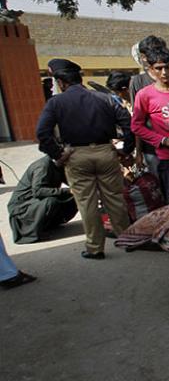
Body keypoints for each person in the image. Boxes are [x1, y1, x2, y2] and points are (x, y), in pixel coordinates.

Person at [35, 58, 134, 260]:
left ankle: (95, 248)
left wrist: (58, 154)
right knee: (114, 198)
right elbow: (128, 124)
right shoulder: (104, 98)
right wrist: (126, 151)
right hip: (106, 151)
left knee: (86, 202)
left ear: (61, 82)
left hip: (76, 155)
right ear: (79, 78)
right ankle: (127, 240)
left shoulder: (55, 103)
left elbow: (42, 134)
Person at [131, 47, 169, 200]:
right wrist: (162, 140)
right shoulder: (144, 95)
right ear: (151, 70)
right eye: (159, 68)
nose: (164, 72)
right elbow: (136, 126)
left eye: (167, 67)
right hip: (167, 157)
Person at [7, 156, 78, 244]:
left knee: (75, 196)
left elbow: (70, 181)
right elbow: (38, 191)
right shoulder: (42, 166)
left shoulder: (58, 164)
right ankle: (33, 232)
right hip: (22, 207)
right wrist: (68, 190)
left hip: (36, 200)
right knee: (51, 202)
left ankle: (50, 224)